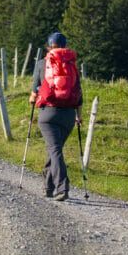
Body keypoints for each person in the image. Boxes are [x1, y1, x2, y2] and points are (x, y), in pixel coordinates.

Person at [28, 32, 82, 201]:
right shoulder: (71, 65)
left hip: (48, 114)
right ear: (65, 46)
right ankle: (48, 187)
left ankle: (62, 187)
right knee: (55, 150)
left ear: (48, 46)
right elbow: (79, 95)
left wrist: (33, 99)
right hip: (68, 115)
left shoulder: (42, 63)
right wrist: (78, 117)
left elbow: (33, 93)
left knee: (55, 150)